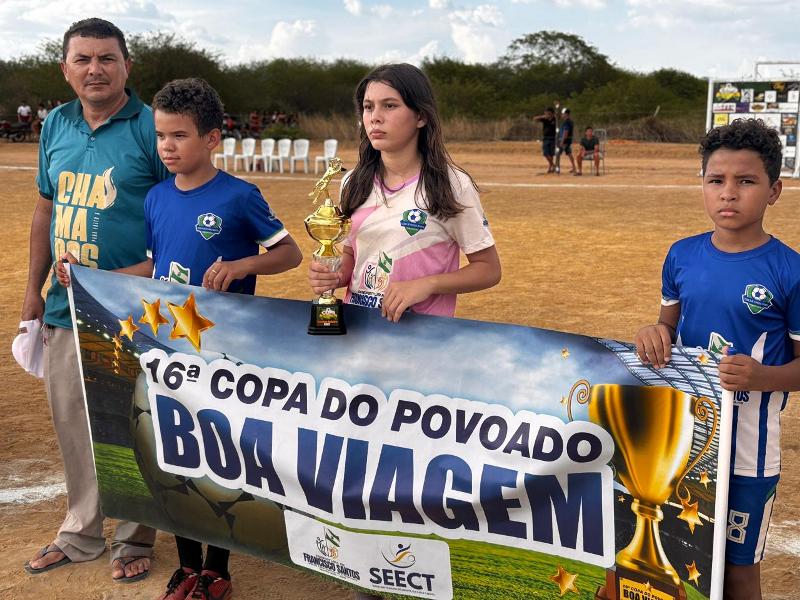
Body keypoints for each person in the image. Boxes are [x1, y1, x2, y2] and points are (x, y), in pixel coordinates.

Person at [57, 77, 302, 600]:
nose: (167, 147)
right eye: (161, 136)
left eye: (179, 136)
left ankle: (218, 569)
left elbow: (289, 253)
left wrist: (241, 266)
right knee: (176, 452)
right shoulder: (157, 197)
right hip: (168, 352)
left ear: (212, 138)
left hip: (223, 351)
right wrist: (90, 277)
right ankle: (188, 565)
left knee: (221, 453)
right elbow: (154, 266)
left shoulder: (239, 196)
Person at [308, 61, 500, 599]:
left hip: (423, 353)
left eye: (389, 106)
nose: (375, 117)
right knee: (362, 459)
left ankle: (417, 574)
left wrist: (427, 284)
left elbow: (489, 268)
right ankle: (368, 574)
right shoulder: (354, 183)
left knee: (412, 468)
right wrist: (331, 273)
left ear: (420, 116)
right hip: (359, 345)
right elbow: (349, 260)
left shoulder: (449, 184)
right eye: (368, 107)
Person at [20, 17, 170, 583]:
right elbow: (45, 208)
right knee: (72, 421)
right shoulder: (56, 123)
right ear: (65, 69)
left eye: (106, 58)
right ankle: (81, 532)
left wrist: (137, 274)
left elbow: (177, 213)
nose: (95, 69)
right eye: (82, 59)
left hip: (133, 307)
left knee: (129, 421)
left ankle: (134, 537)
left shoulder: (151, 127)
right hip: (64, 305)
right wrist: (33, 291)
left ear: (127, 66)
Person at [634, 118, 800, 600]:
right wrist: (654, 333)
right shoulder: (682, 255)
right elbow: (666, 327)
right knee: (682, 554)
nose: (728, 193)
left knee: (738, 568)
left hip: (750, 451)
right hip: (684, 443)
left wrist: (763, 376)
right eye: (716, 180)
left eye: (746, 181)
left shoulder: (790, 271)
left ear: (774, 191)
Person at [532, 107, 557, 173]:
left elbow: (560, 118)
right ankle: (553, 165)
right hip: (546, 138)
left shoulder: (555, 119)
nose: (547, 115)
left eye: (549, 113)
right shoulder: (544, 119)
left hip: (553, 138)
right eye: (546, 113)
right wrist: (543, 116)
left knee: (551, 154)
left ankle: (550, 167)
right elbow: (534, 118)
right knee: (545, 153)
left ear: (552, 113)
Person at [556, 107, 576, 174]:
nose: (562, 115)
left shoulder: (566, 122)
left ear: (566, 114)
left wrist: (562, 141)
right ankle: (574, 167)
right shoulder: (570, 121)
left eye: (563, 113)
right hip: (568, 140)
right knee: (569, 153)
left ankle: (557, 168)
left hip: (564, 140)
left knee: (558, 153)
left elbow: (566, 132)